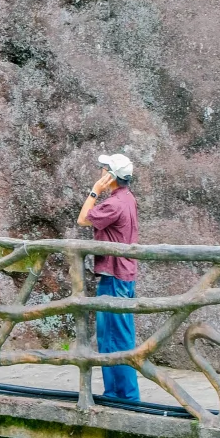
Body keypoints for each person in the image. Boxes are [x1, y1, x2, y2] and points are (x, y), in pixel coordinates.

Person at [77, 152, 140, 402]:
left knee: (116, 339)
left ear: (112, 176)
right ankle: (115, 393)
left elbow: (83, 219)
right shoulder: (127, 198)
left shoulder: (113, 204)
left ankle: (126, 398)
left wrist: (94, 191)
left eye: (104, 170)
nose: (101, 172)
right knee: (112, 337)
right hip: (122, 275)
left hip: (114, 277)